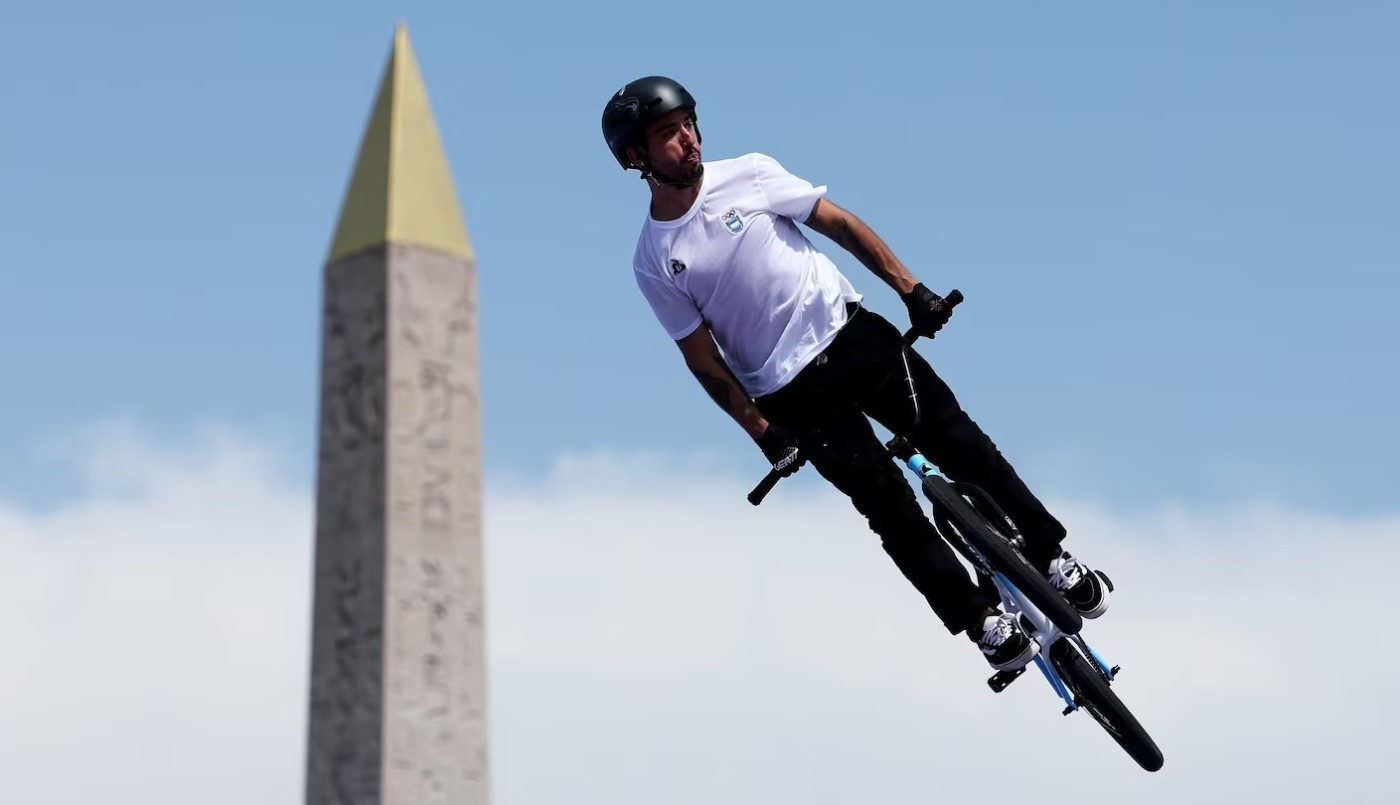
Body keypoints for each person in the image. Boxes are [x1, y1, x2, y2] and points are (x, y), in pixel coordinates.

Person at [601, 76, 1111, 671]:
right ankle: (983, 624)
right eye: (668, 134)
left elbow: (837, 223)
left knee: (959, 439)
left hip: (855, 337)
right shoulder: (654, 259)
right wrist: (763, 432)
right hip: (792, 394)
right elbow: (700, 357)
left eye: (688, 123)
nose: (687, 140)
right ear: (636, 157)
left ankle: (1053, 557)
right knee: (888, 509)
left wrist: (911, 289)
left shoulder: (750, 173)